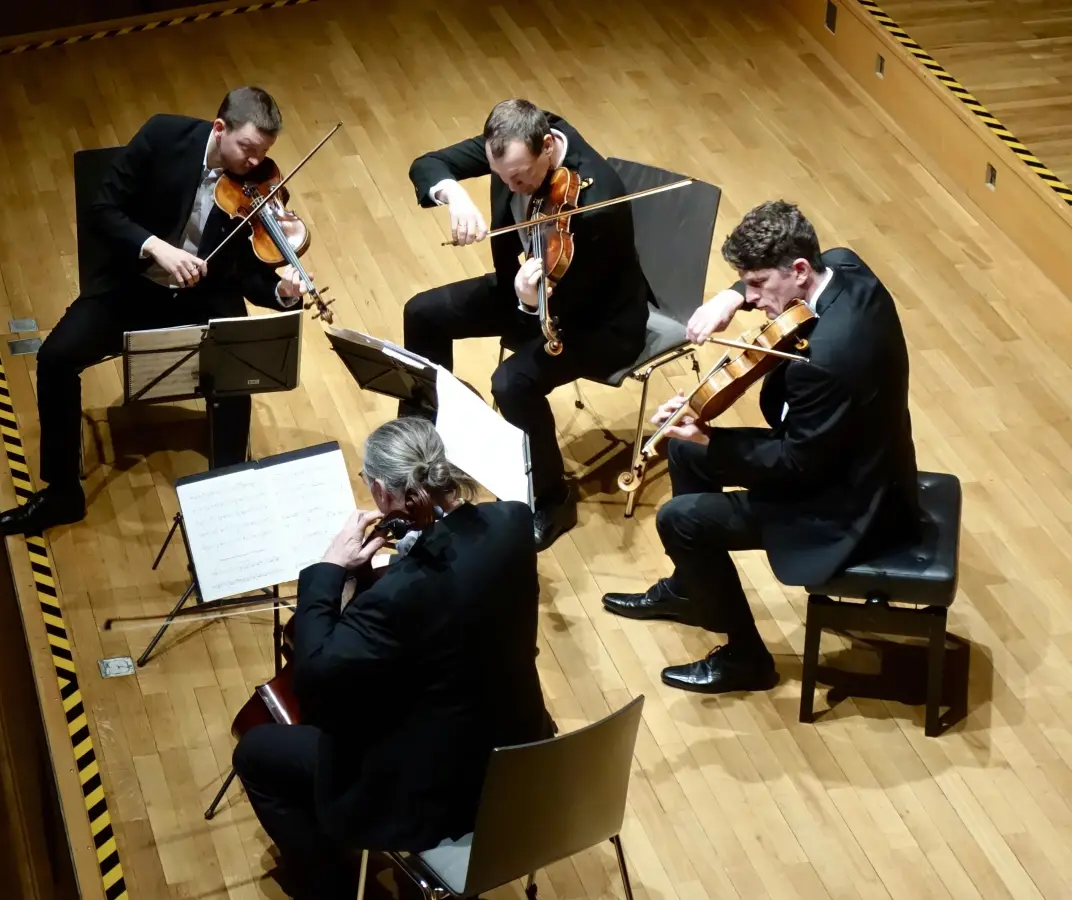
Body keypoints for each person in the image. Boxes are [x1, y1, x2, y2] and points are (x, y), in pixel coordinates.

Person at [601, 200, 920, 693]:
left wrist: (710, 437)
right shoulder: (845, 266)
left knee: (679, 520)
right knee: (685, 452)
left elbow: (797, 465)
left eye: (757, 286)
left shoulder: (829, 359)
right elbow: (803, 445)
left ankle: (747, 660)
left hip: (847, 501)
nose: (754, 299)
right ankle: (693, 588)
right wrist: (730, 298)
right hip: (844, 450)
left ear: (798, 270)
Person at [234, 417, 554, 899]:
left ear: (382, 491)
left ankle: (336, 886)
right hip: (520, 757)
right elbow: (448, 607)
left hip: (437, 793)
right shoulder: (511, 523)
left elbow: (315, 682)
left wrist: (330, 569)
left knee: (257, 753)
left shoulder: (399, 599)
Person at [0, 86, 309, 535]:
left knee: (238, 363)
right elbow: (102, 209)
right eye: (248, 149)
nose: (256, 164)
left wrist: (282, 291)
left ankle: (225, 494)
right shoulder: (164, 136)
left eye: (264, 153)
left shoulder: (254, 186)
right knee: (55, 359)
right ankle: (63, 493)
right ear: (219, 129)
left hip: (203, 295)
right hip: (134, 287)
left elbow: (245, 273)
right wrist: (156, 247)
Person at [402, 99, 652, 551]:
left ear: (548, 148)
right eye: (501, 177)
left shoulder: (598, 208)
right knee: (422, 314)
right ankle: (424, 446)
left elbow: (565, 312)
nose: (511, 185)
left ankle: (554, 498)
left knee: (512, 382)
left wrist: (524, 304)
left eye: (520, 177)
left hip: (597, 322)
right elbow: (428, 164)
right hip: (529, 285)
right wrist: (454, 193)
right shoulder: (513, 143)